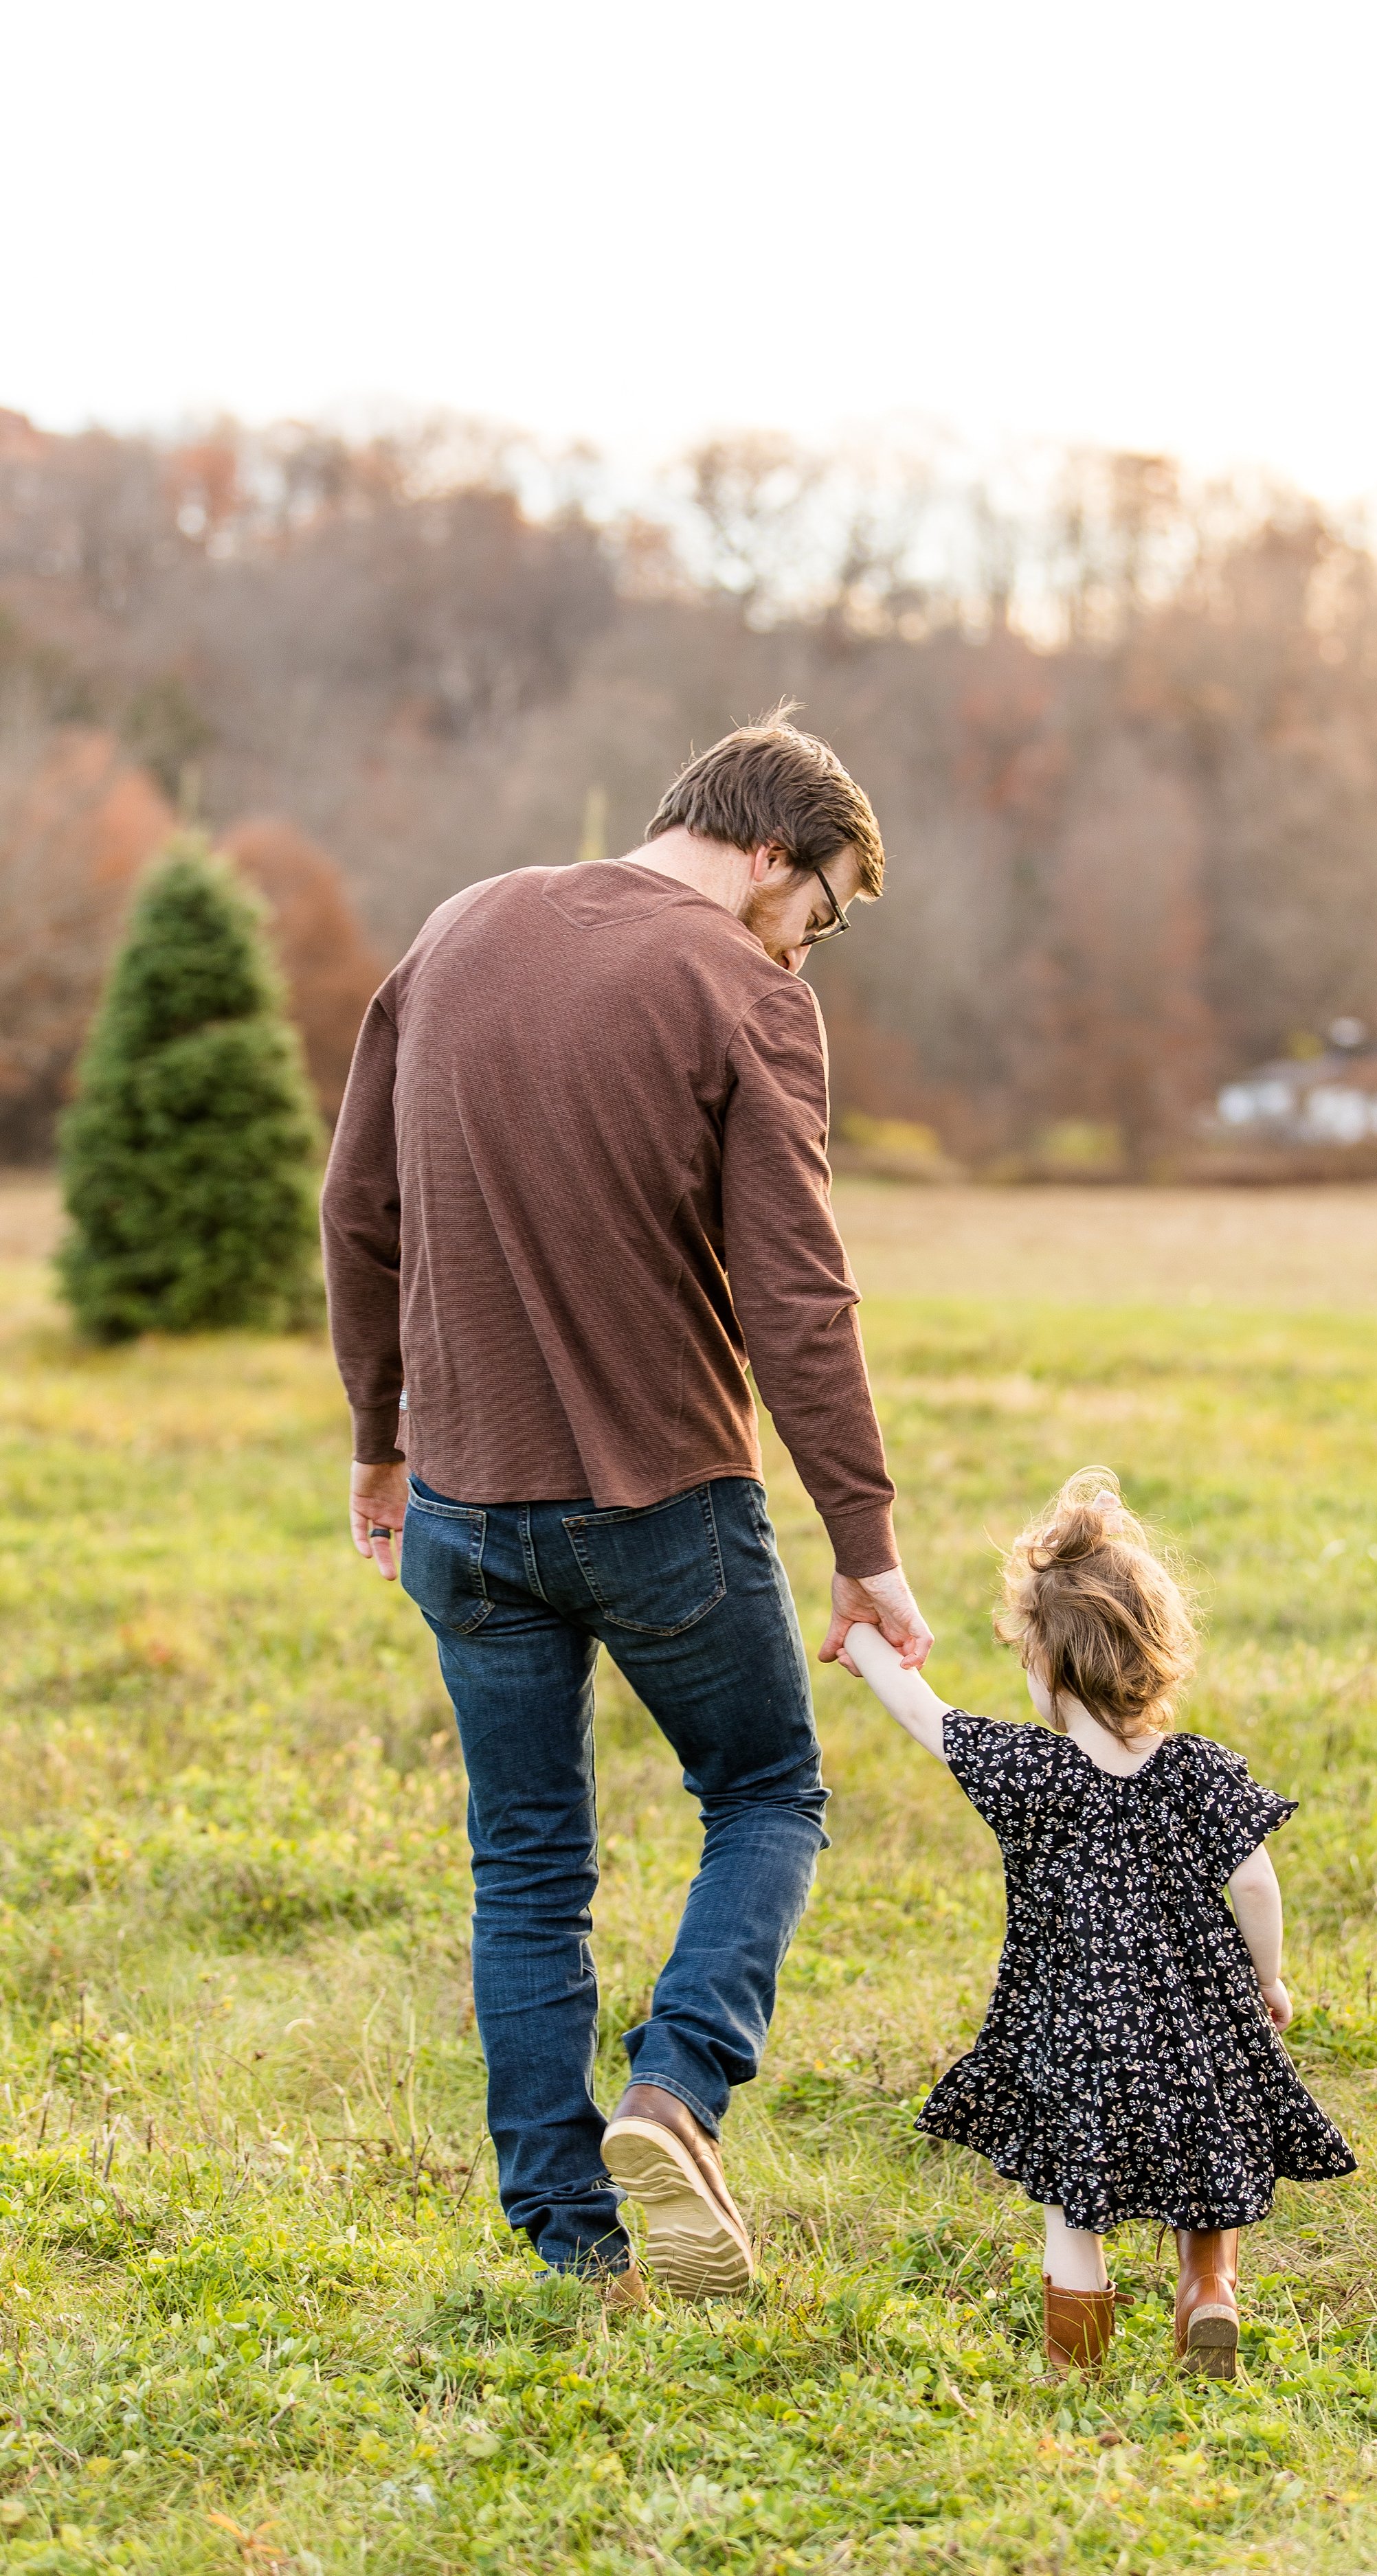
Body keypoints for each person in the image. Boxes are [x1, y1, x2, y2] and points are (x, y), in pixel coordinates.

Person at [321, 715, 932, 2300]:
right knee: (767, 1795)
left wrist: (377, 1439)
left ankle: (574, 2246)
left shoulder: (456, 929)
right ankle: (674, 2091)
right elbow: (798, 1303)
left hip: (459, 1503)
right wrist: (865, 1551)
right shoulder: (743, 991)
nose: (818, 943)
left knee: (523, 1866)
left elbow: (357, 1208)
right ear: (772, 855)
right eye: (831, 907)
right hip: (658, 1500)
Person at [840, 1467, 1354, 2377]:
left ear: (1044, 1664)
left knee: (1071, 2209)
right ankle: (1209, 2291)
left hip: (1076, 2037)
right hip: (1197, 2022)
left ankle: (1076, 2372)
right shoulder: (1201, 1770)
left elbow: (924, 1714)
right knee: (1215, 2153)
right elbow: (1259, 1885)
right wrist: (1266, 1979)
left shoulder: (1033, 1773)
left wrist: (866, 1644)